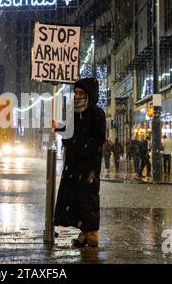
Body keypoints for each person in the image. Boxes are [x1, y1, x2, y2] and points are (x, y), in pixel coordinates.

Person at [54, 78, 106, 247]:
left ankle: (92, 233)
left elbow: (98, 138)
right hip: (73, 164)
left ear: (90, 94)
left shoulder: (97, 113)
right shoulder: (74, 112)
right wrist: (58, 127)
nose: (77, 96)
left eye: (81, 93)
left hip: (88, 165)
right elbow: (70, 132)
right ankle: (84, 231)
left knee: (88, 199)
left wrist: (82, 150)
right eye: (76, 93)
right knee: (75, 199)